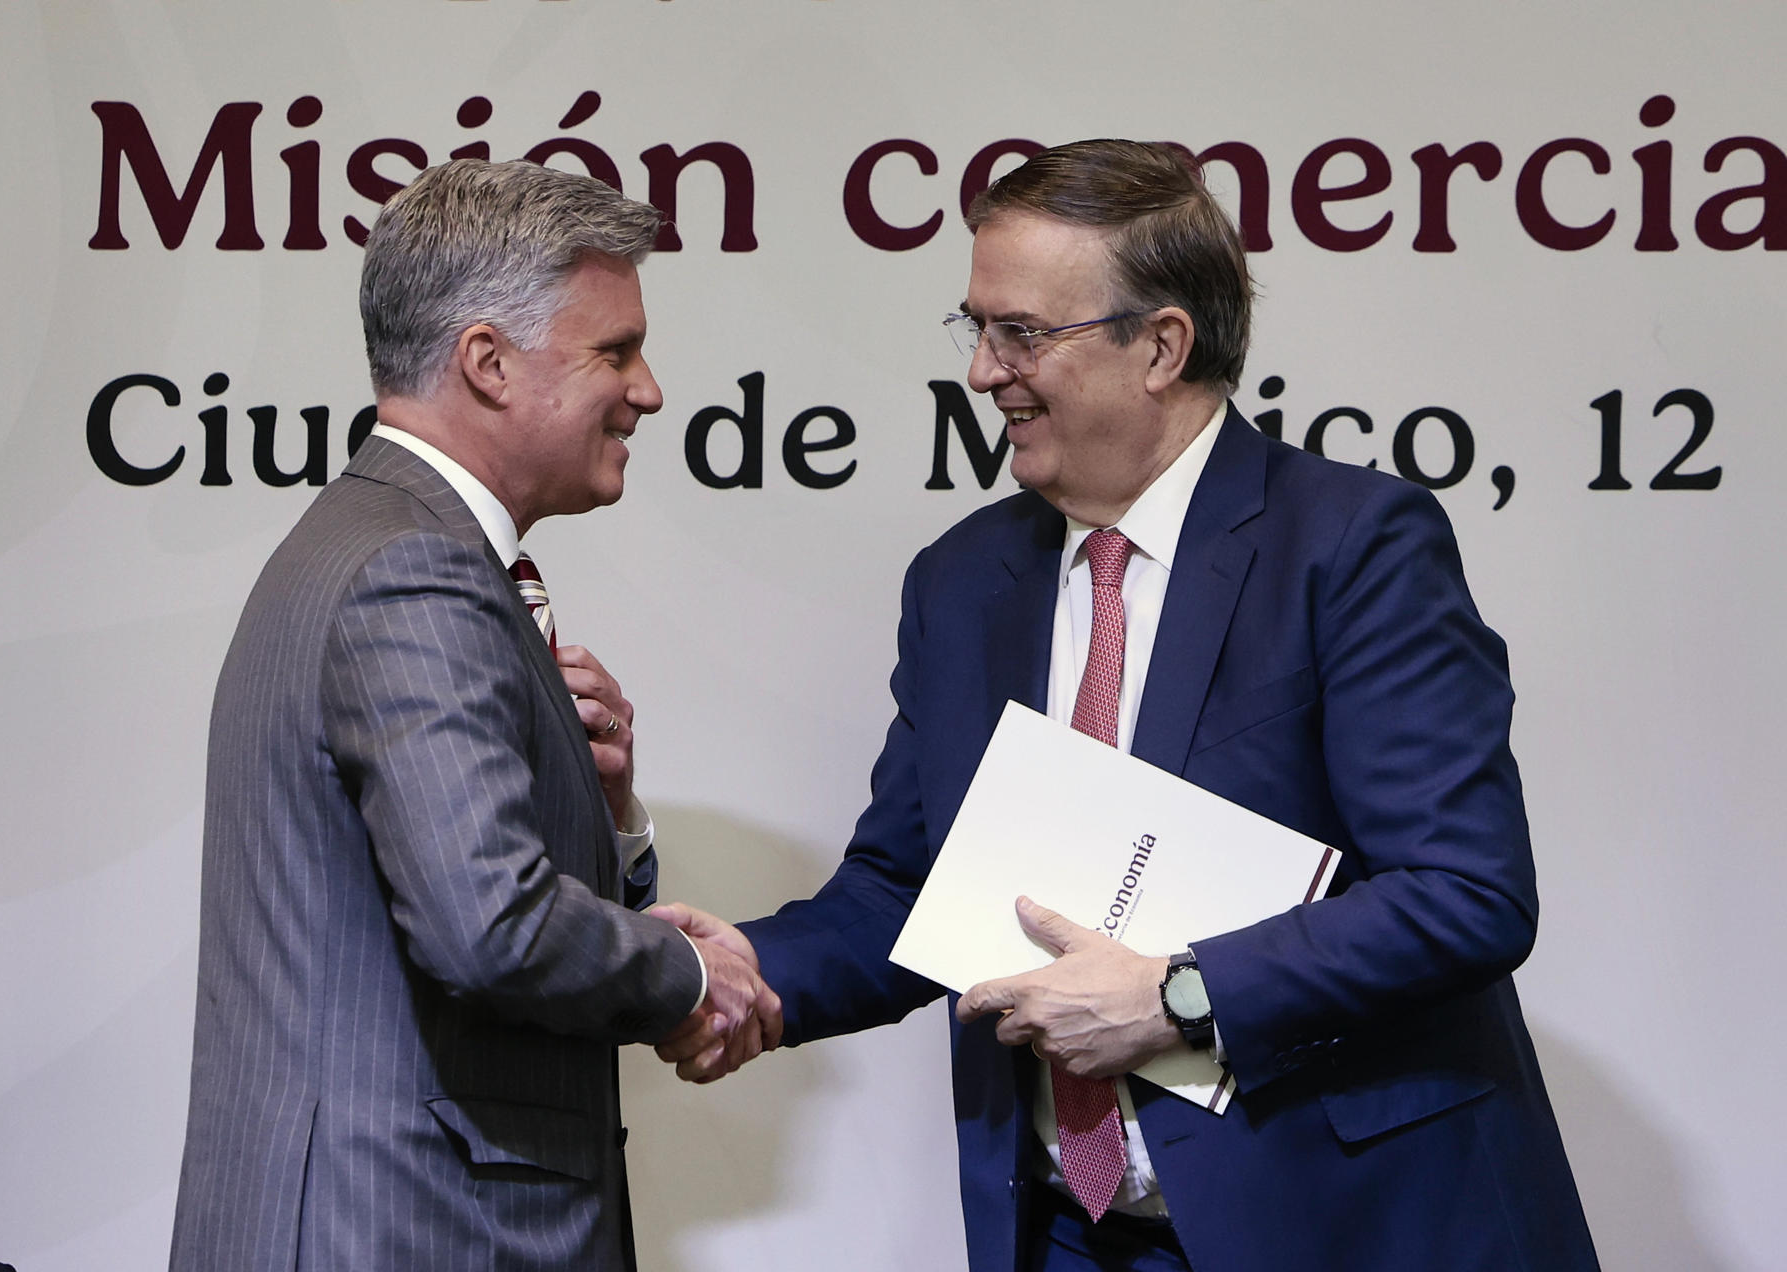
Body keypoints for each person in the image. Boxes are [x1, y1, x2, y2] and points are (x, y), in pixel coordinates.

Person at [656, 140, 1597, 1271]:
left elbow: (1466, 893)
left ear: (1160, 347)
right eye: (977, 327)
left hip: (1343, 1227)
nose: (984, 371)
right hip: (1068, 1236)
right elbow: (912, 889)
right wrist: (743, 970)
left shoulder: (1351, 546)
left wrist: (1182, 994)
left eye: (1023, 333)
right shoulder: (960, 585)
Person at [170, 158, 778, 1272]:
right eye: (616, 351)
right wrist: (690, 975)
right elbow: (488, 927)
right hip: (408, 1230)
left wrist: (614, 816)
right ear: (488, 364)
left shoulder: (381, 543)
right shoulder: (416, 572)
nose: (647, 390)